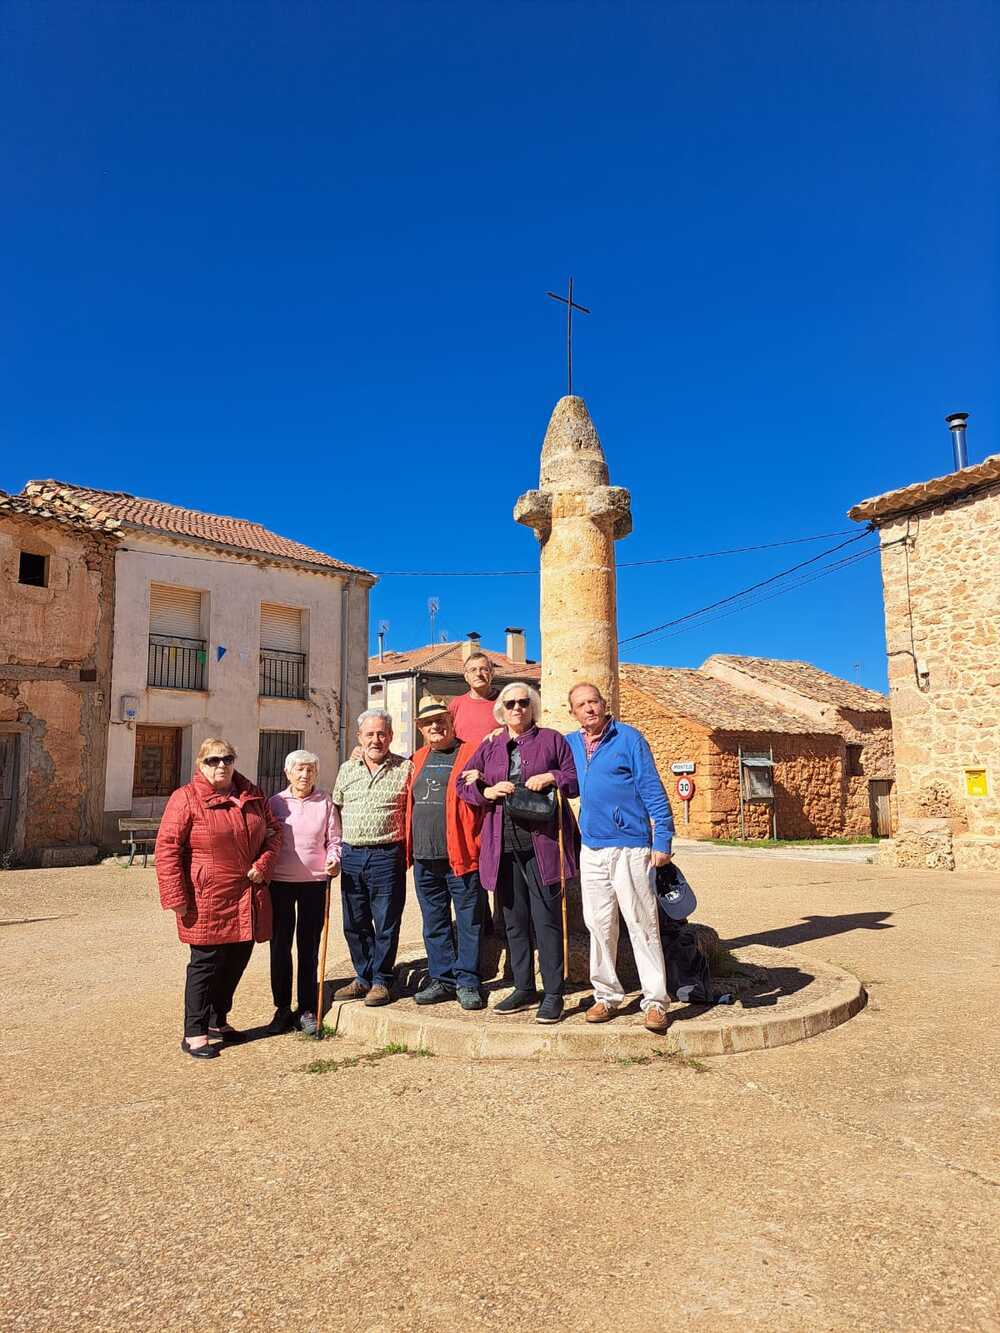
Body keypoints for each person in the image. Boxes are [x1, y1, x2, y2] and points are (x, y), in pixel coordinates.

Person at [458, 682, 579, 1024]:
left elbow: (573, 780)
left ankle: (554, 993)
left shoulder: (552, 739)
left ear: (532, 706)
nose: (517, 708)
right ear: (501, 710)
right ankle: (524, 987)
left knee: (547, 921)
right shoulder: (492, 744)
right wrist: (489, 790)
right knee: (513, 921)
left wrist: (552, 776)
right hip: (503, 844)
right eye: (509, 703)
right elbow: (463, 785)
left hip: (542, 844)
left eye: (524, 703)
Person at [155, 737, 283, 1059]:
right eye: (213, 760)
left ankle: (217, 1020)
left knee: (237, 959)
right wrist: (175, 897)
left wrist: (263, 864)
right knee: (206, 964)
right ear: (200, 764)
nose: (221, 765)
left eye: (227, 758)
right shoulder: (185, 799)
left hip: (247, 893)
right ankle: (194, 1032)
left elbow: (274, 833)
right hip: (207, 896)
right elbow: (167, 849)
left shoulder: (252, 795)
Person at [565, 682, 674, 1034]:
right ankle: (607, 995)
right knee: (599, 924)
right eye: (581, 705)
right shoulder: (570, 744)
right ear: (574, 712)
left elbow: (653, 790)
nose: (589, 709)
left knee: (642, 923)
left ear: (604, 703)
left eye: (593, 702)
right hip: (592, 846)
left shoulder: (629, 739)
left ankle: (656, 1001)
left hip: (631, 845)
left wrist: (663, 839)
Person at [405, 697, 486, 1010]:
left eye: (441, 720)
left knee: (469, 922)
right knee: (434, 922)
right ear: (421, 729)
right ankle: (442, 979)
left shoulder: (470, 753)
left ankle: (467, 981)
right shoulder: (416, 759)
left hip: (461, 856)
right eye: (429, 723)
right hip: (425, 858)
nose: (436, 726)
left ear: (451, 723)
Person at [331, 709, 411, 1007]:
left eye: (381, 734)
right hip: (352, 854)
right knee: (355, 921)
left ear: (390, 736)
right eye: (370, 734)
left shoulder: (406, 769)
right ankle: (362, 977)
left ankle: (382, 980)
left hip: (387, 855)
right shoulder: (346, 770)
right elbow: (335, 809)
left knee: (387, 920)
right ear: (359, 738)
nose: (376, 739)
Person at [266, 750, 343, 1036]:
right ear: (288, 773)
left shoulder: (325, 802)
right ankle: (282, 1008)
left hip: (314, 882)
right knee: (280, 947)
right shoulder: (275, 803)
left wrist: (334, 860)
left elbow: (334, 840)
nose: (304, 775)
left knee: (308, 947)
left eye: (310, 770)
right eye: (299, 770)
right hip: (280, 883)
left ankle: (308, 1007)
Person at [448, 651, 502, 744]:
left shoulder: (506, 702)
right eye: (473, 670)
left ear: (492, 673)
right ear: (466, 677)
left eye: (484, 669)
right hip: (464, 758)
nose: (478, 674)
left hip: (496, 757)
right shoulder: (456, 704)